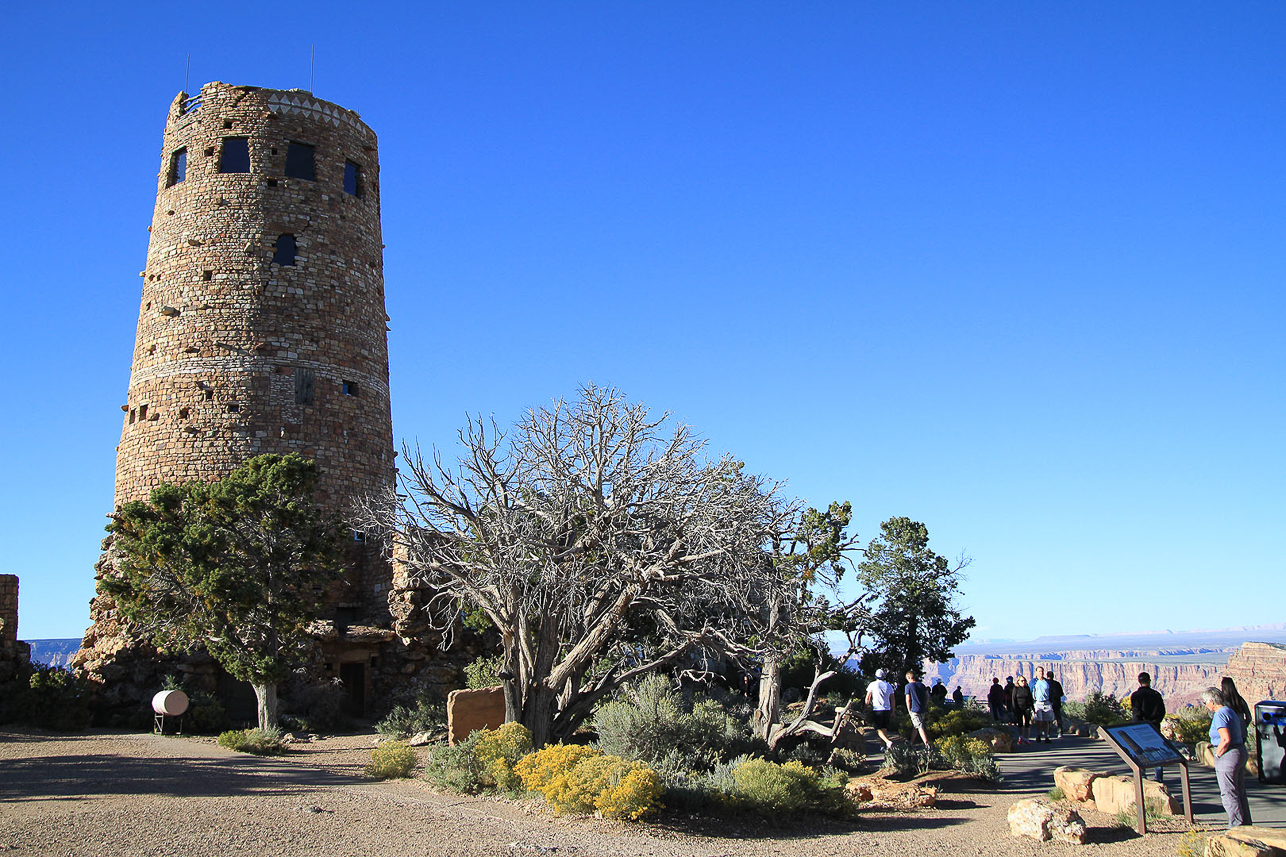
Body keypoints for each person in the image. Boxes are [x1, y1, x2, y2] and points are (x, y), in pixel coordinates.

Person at [1203, 686, 1252, 828]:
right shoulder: (1230, 711)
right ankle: (1246, 823)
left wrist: (1217, 754)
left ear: (1212, 701)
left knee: (1228, 793)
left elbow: (1225, 738)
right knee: (1239, 791)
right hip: (1239, 751)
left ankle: (1236, 825)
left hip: (1228, 755)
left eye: (1206, 702)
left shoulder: (1220, 715)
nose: (1206, 705)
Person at [1131, 672, 1167, 782]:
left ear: (1139, 681)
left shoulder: (1136, 696)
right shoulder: (1156, 695)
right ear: (1150, 680)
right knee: (1157, 749)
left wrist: (1136, 726)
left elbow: (1136, 713)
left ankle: (1142, 775)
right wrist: (1156, 721)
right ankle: (1158, 776)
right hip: (1155, 726)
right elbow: (1162, 711)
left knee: (1140, 750)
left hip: (1140, 728)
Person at [864, 668, 898, 750]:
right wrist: (893, 711)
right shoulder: (889, 686)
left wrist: (866, 708)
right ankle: (883, 746)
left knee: (877, 728)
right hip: (887, 709)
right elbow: (893, 699)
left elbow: (868, 698)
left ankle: (887, 742)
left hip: (877, 709)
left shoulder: (872, 684)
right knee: (884, 728)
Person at [905, 670, 931, 748]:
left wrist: (909, 710)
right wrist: (925, 705)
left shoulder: (908, 686)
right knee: (915, 725)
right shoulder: (922, 685)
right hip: (922, 709)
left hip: (914, 710)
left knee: (919, 726)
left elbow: (908, 699)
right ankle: (911, 742)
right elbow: (928, 696)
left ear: (909, 677)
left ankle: (927, 744)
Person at [1031, 667, 1055, 744]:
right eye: (1039, 671)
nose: (1041, 673)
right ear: (1036, 672)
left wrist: (1052, 701)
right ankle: (1039, 734)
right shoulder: (1033, 682)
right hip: (1038, 703)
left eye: (1042, 671)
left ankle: (1046, 736)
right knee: (1039, 721)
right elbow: (1030, 691)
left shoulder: (1047, 682)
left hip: (1047, 702)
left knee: (1047, 721)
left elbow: (1051, 691)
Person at [1011, 675, 1034, 745]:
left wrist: (1032, 707)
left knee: (1027, 723)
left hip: (1026, 707)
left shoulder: (1027, 688)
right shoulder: (1016, 689)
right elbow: (1013, 699)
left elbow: (1030, 698)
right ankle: (1020, 736)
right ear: (1018, 682)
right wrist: (1014, 708)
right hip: (1019, 708)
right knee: (1020, 723)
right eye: (1022, 681)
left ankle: (1026, 738)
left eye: (1024, 680)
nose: (1023, 682)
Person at [1047, 669, 1065, 738]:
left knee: (1048, 718)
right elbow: (1061, 693)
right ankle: (1060, 732)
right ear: (1053, 676)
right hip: (1056, 703)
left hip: (1048, 703)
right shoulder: (1057, 684)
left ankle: (1047, 732)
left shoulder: (1045, 683)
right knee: (1058, 717)